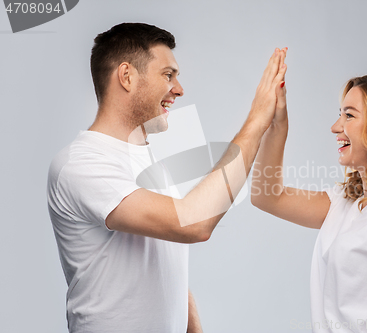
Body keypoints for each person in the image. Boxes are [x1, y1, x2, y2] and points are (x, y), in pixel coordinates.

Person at [47, 22, 287, 333]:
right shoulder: (81, 164)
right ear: (127, 76)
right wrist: (257, 119)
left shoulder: (149, 160)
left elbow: (165, 270)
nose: (179, 89)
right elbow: (193, 223)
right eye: (168, 75)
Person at [251, 74, 367, 332]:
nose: (335, 127)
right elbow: (266, 195)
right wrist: (277, 123)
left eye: (349, 116)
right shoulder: (348, 201)